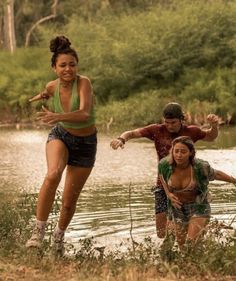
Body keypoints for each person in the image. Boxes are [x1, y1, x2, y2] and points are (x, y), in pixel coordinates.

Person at [26, 35, 97, 255]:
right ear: (54, 68)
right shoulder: (51, 85)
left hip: (86, 143)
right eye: (63, 65)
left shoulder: (83, 82)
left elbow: (84, 112)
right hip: (61, 135)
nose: (68, 69)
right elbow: (48, 91)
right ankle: (37, 233)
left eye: (72, 65)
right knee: (53, 174)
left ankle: (58, 239)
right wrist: (42, 96)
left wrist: (58, 115)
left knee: (68, 203)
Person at [110, 102, 219, 238]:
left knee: (185, 227)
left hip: (187, 186)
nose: (170, 126)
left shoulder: (191, 131)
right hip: (163, 185)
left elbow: (211, 136)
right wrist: (121, 139)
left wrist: (214, 126)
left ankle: (190, 246)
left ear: (181, 119)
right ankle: (175, 250)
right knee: (162, 233)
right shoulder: (156, 130)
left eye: (173, 122)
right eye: (167, 122)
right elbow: (132, 133)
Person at [158, 136, 236, 250]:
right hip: (176, 208)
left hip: (198, 207)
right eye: (176, 151)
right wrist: (168, 194)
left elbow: (216, 174)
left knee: (191, 244)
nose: (179, 155)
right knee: (181, 246)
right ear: (172, 151)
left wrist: (234, 181)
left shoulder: (200, 167)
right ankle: (192, 263)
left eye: (183, 152)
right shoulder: (164, 164)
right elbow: (162, 178)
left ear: (191, 153)